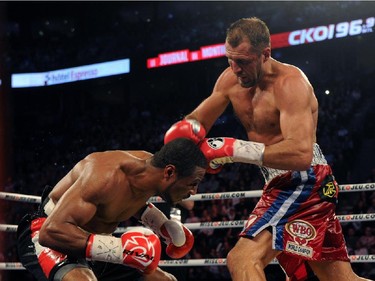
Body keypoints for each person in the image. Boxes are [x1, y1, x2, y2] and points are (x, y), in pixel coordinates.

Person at [163, 17, 372, 281]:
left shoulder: (290, 84)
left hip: (303, 181)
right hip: (287, 182)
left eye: (243, 61)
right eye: (230, 59)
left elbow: (300, 154)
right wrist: (186, 132)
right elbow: (198, 120)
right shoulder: (229, 80)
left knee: (242, 259)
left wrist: (232, 149)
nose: (235, 68)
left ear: (265, 54)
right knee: (340, 279)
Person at [17, 138, 207, 281]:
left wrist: (160, 223)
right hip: (49, 232)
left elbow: (124, 199)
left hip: (92, 246)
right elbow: (50, 232)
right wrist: (119, 250)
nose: (193, 191)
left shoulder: (149, 170)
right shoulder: (104, 176)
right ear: (170, 172)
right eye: (193, 183)